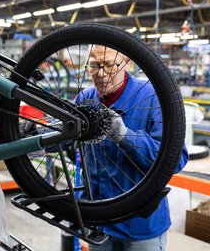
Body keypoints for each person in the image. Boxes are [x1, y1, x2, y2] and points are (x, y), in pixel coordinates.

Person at [74, 45, 188, 251]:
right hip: (100, 222)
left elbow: (177, 159)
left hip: (141, 226)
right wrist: (40, 138)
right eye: (94, 66)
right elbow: (68, 140)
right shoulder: (85, 98)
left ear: (127, 63)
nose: (100, 73)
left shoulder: (154, 97)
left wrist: (125, 137)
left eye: (109, 65)